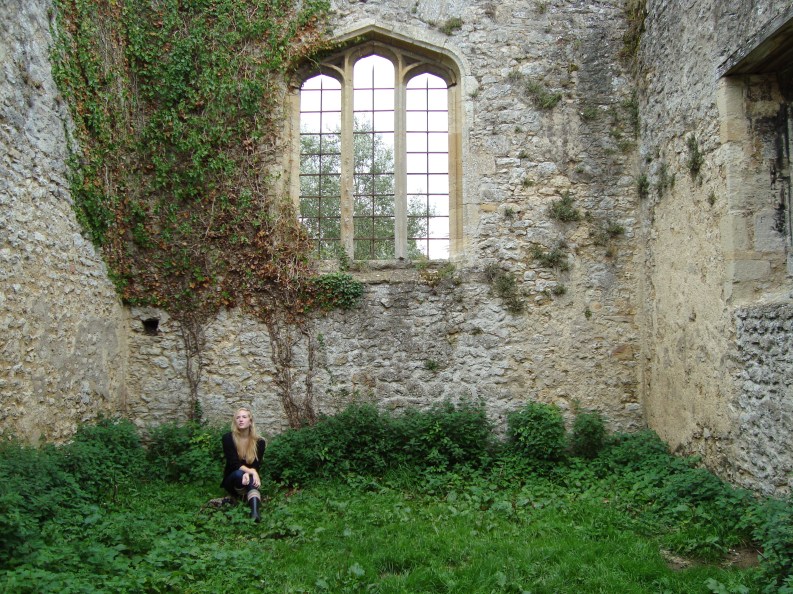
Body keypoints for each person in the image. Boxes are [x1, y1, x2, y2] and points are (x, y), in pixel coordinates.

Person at [221, 407, 266, 522]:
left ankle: (255, 513)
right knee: (239, 473)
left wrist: (251, 472)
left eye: (244, 417)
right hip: (232, 479)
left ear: (250, 421)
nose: (240, 420)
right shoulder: (228, 438)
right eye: (238, 417)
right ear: (235, 421)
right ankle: (245, 497)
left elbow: (256, 464)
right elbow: (233, 463)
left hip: (248, 479)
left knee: (248, 477)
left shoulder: (260, 442)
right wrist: (251, 472)